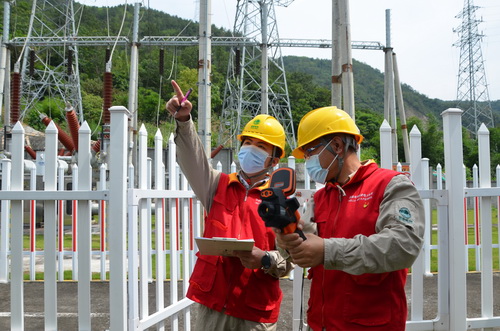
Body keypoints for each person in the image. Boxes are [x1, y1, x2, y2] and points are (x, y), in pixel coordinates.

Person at [274, 106, 425, 331]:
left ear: (337, 146)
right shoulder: (322, 196)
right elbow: (303, 247)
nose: (307, 161)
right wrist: (286, 239)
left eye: (310, 152)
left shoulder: (392, 185)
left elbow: (403, 245)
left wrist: (327, 250)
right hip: (322, 323)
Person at [165, 80, 293, 331]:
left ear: (274, 159)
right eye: (247, 143)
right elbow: (194, 159)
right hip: (213, 306)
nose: (250, 150)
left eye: (260, 146)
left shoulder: (282, 201)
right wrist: (184, 120)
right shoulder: (217, 185)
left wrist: (265, 259)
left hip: (254, 310)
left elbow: (290, 259)